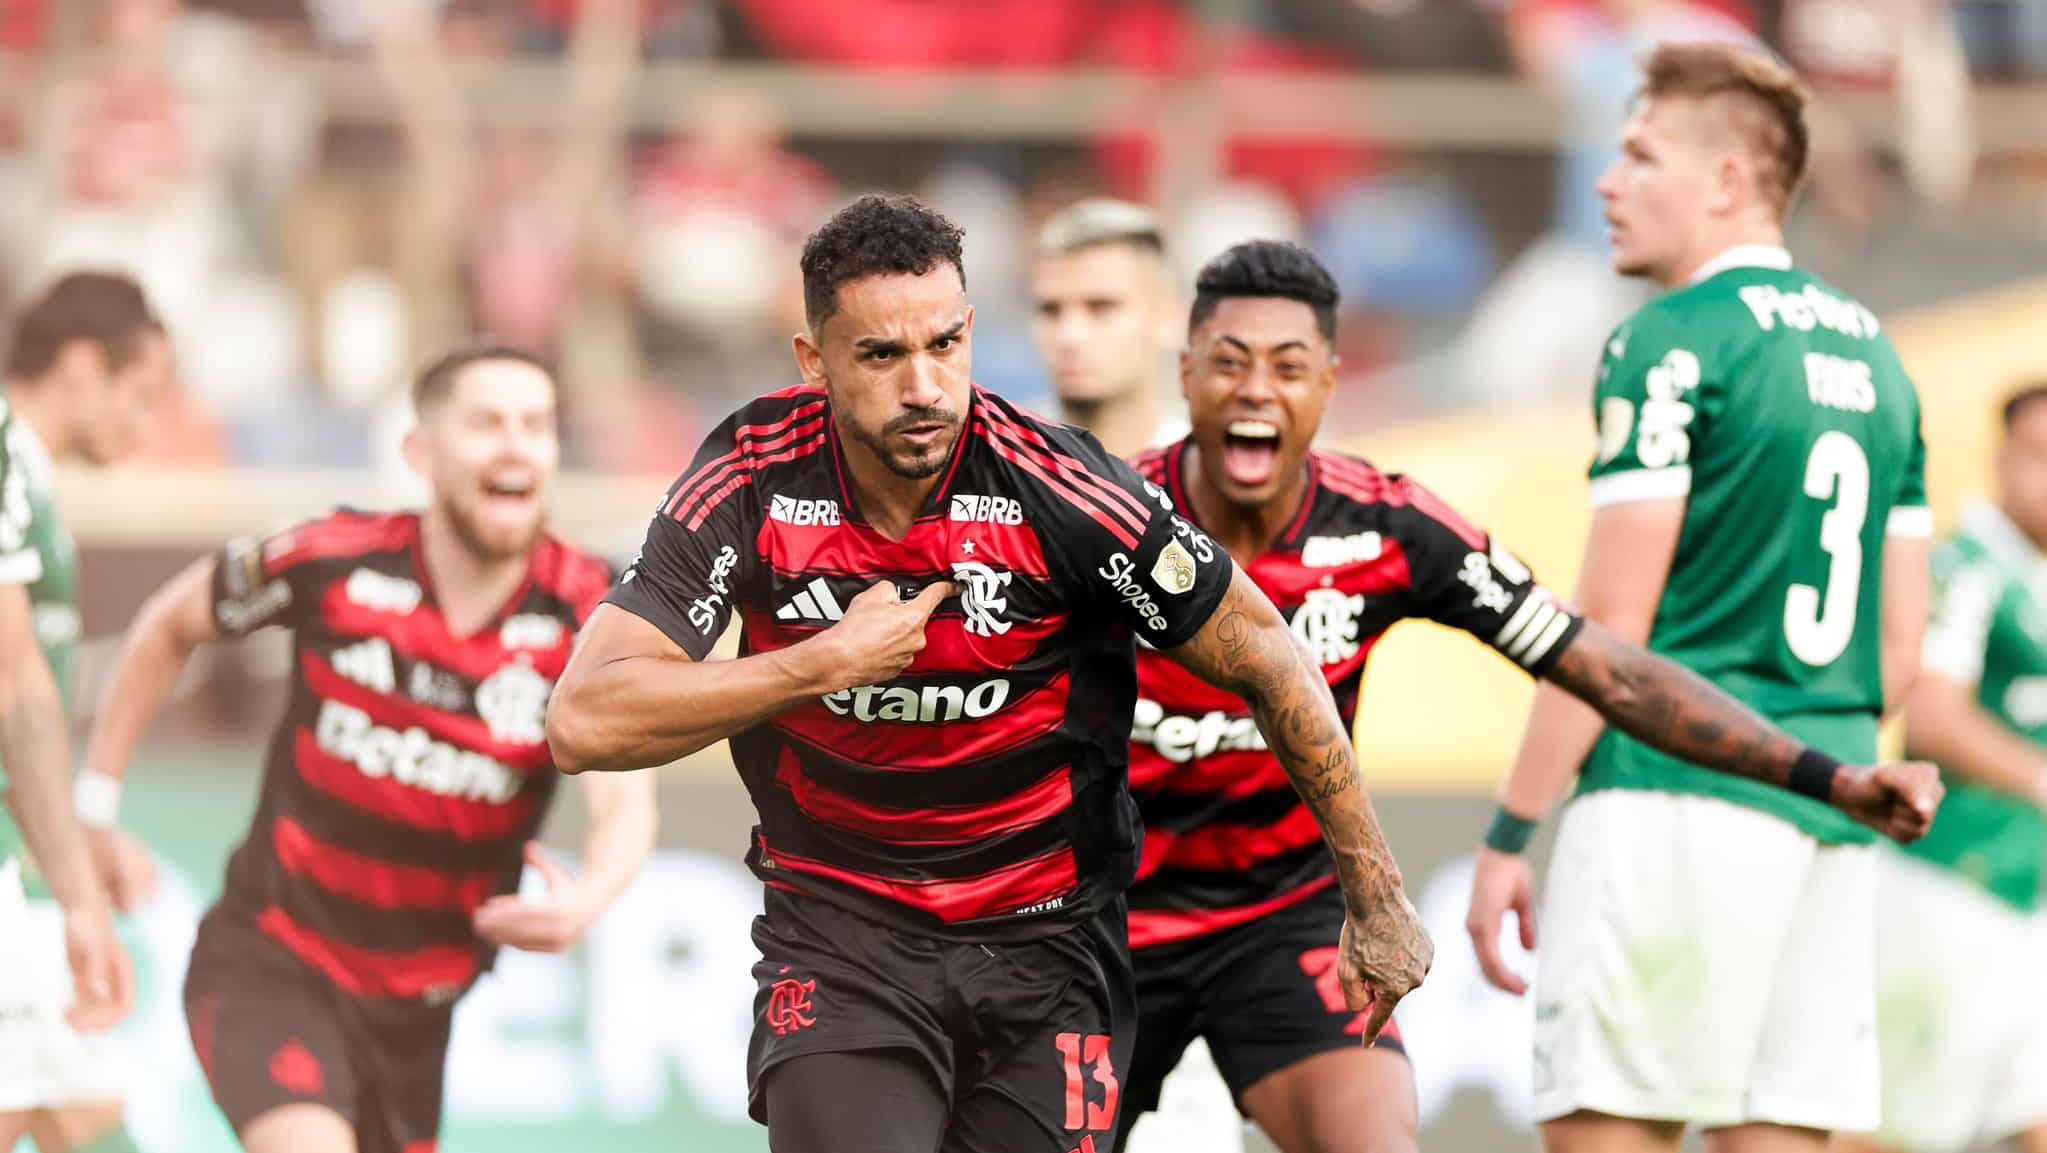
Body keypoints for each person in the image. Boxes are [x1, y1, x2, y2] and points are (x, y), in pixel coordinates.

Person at [543, 192, 1432, 1153]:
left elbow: (1267, 654)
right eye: (881, 355)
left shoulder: (1061, 486)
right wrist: (814, 665)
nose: (923, 385)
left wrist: (1375, 897)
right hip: (843, 944)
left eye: (944, 345)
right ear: (815, 362)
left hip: (1050, 954)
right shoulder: (753, 474)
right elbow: (584, 720)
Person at [1121, 238, 1940, 1153]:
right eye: (1227, 363)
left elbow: (1608, 668)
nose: (1254, 391)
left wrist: (1827, 777)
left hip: (1284, 919)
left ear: (1330, 381)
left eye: (1287, 366)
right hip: (1097, 917)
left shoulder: (1389, 524)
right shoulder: (1106, 519)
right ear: (1185, 372)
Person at [1464, 41, 1936, 1153]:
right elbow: (1898, 655)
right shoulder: (1882, 361)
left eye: (1637, 154)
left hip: (1667, 804)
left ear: (1726, 181)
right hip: (1828, 808)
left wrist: (1507, 833)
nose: (1605, 180)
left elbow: (1608, 632)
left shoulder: (1667, 343)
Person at [79, 346, 657, 1153]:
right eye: (487, 423)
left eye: (536, 425)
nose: (516, 445)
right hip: (270, 962)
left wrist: (590, 897)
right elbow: (169, 624)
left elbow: (623, 797)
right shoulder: (333, 557)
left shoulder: (590, 608)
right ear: (421, 453)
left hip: (418, 1017)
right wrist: (96, 806)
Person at [1837, 384, 2047, 1153]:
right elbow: (1929, 712)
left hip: (2028, 899)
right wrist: (2036, 776)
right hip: (1950, 885)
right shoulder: (1970, 565)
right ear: (2003, 461)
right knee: (1892, 1130)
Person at [0, 272, 161, 1153]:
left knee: (89, 1121)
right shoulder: (6, 455)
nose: (145, 427)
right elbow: (14, 688)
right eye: (139, 396)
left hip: (23, 858)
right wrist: (71, 889)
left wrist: (70, 837)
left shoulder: (31, 478)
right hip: (18, 878)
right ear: (78, 366)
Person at [1031, 198, 1188, 460]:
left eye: (1101, 307)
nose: (1069, 335)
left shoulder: (1210, 482)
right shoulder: (992, 467)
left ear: (1168, 319)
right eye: (1051, 310)